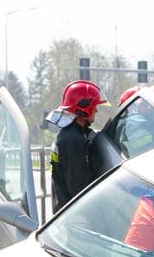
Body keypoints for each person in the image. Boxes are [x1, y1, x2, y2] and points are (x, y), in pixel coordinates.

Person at [47, 80, 109, 214]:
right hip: (73, 215)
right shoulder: (73, 140)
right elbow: (79, 188)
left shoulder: (71, 133)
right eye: (94, 106)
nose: (97, 110)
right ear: (84, 108)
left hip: (66, 210)